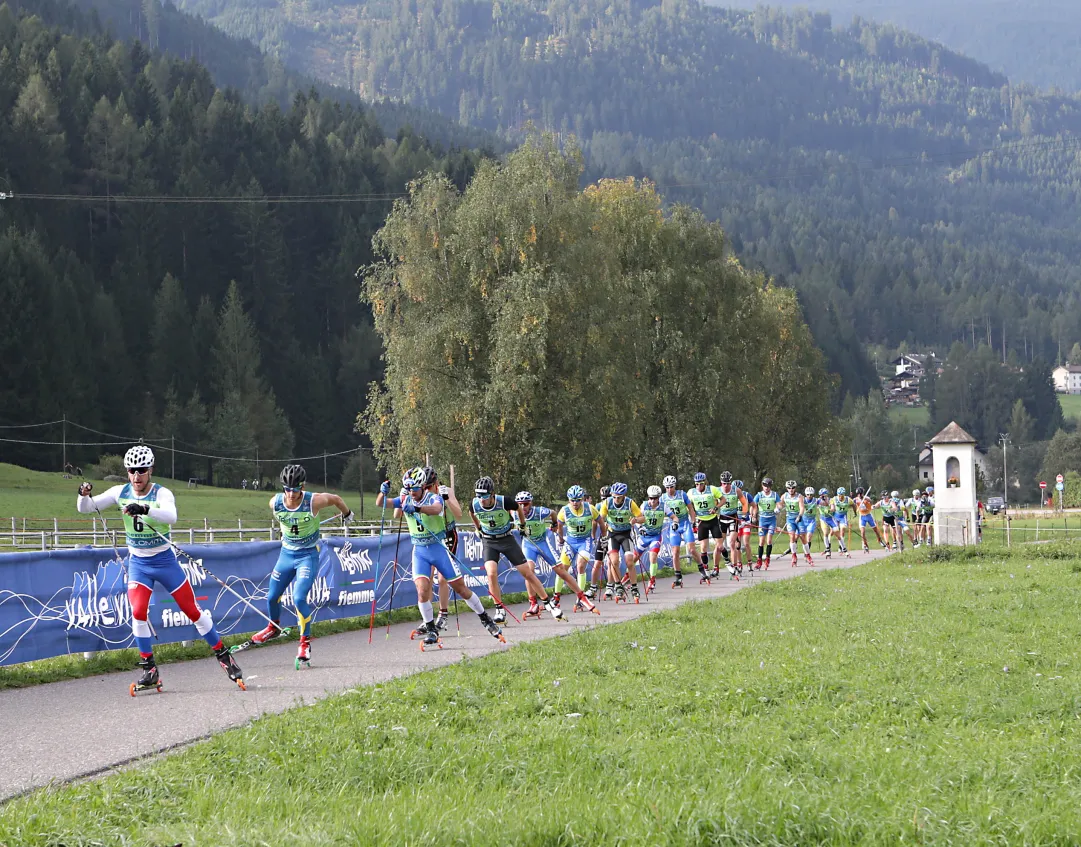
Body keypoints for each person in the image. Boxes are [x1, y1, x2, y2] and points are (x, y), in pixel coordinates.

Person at [76, 445, 245, 693]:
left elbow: (171, 516)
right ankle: (150, 670)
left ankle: (224, 657)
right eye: (131, 471)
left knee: (192, 610)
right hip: (139, 564)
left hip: (165, 562)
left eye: (141, 471)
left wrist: (143, 508)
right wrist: (82, 494)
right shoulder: (119, 491)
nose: (136, 476)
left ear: (151, 470)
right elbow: (86, 507)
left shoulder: (161, 493)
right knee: (138, 611)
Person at [377, 469, 504, 648]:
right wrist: (383, 492)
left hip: (438, 549)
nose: (411, 492)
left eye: (414, 488)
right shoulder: (406, 498)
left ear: (422, 486)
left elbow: (437, 509)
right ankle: (431, 630)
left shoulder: (433, 497)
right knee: (422, 590)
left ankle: (485, 618)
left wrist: (417, 508)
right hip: (419, 551)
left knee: (460, 588)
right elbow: (382, 504)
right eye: (408, 488)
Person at [245, 464, 354, 668]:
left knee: (298, 598)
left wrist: (347, 514)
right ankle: (273, 627)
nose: (292, 494)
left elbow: (337, 499)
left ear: (302, 487)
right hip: (287, 554)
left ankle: (304, 643)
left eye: (296, 489)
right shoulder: (275, 503)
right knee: (271, 596)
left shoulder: (314, 501)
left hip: (307, 555)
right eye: (288, 489)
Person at [470, 476, 551, 623]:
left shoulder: (504, 501)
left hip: (506, 539)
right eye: (479, 495)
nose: (482, 499)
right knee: (491, 573)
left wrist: (521, 525)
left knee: (526, 572)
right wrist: (479, 528)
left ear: (492, 493)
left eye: (485, 495)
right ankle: (499, 609)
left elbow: (518, 508)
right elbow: (471, 513)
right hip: (489, 540)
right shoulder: (475, 504)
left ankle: (547, 602)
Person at [517, 491, 597, 617]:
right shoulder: (513, 512)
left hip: (543, 543)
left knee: (561, 570)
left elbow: (553, 513)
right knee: (528, 571)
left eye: (525, 504)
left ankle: (582, 597)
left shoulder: (539, 511)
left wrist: (554, 524)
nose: (523, 507)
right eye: (520, 504)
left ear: (530, 503)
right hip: (528, 545)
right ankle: (533, 604)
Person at [556, 485, 604, 611]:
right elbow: (559, 526)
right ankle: (556, 598)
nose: (575, 503)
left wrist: (603, 537)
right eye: (572, 500)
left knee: (580, 565)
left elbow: (600, 521)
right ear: (568, 500)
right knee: (562, 569)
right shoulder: (564, 510)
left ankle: (580, 598)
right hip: (571, 541)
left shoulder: (589, 508)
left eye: (577, 500)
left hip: (585, 541)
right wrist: (561, 540)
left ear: (582, 499)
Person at [598, 482, 644, 602]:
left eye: (619, 497)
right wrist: (602, 524)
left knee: (629, 562)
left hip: (626, 535)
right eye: (614, 497)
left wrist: (635, 520)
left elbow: (642, 518)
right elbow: (600, 518)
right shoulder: (607, 502)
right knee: (613, 561)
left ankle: (634, 588)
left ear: (624, 496)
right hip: (613, 534)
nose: (616, 499)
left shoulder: (630, 502)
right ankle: (618, 586)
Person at [687, 472, 726, 582]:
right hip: (701, 522)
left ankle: (717, 567)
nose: (699, 486)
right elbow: (688, 506)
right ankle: (706, 570)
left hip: (713, 520)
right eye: (697, 484)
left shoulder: (712, 489)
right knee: (703, 547)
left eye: (701, 484)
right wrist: (692, 519)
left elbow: (723, 500)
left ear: (705, 483)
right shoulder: (691, 492)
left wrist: (716, 507)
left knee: (719, 545)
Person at [661, 475, 698, 588]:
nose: (669, 490)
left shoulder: (682, 494)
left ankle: (703, 569)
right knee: (675, 551)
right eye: (667, 487)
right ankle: (678, 577)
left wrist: (693, 521)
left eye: (671, 487)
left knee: (692, 549)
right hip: (674, 525)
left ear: (675, 486)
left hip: (685, 523)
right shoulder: (662, 498)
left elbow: (690, 508)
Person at [632, 485, 667, 593]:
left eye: (655, 498)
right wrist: (640, 527)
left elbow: (674, 517)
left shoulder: (663, 506)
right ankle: (628, 577)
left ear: (658, 498)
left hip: (655, 536)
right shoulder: (644, 505)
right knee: (633, 559)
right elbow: (638, 519)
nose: (652, 500)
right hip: (644, 536)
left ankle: (652, 580)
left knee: (653, 557)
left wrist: (675, 522)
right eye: (651, 498)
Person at [715, 471, 748, 577]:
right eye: (724, 483)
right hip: (722, 518)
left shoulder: (736, 490)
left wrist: (743, 516)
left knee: (732, 543)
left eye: (728, 483)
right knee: (719, 545)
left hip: (733, 518)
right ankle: (716, 568)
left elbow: (744, 503)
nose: (726, 486)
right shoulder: (717, 491)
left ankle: (734, 566)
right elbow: (714, 503)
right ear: (721, 483)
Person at [752, 477, 779, 569]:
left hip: (771, 519)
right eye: (764, 485)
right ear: (762, 486)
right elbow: (753, 505)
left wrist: (777, 508)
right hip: (763, 520)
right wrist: (753, 516)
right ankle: (759, 560)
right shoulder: (759, 495)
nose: (766, 488)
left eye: (768, 486)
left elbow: (779, 504)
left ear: (770, 486)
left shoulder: (774, 495)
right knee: (761, 541)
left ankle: (767, 558)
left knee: (769, 540)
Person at [779, 480, 807, 567]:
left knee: (802, 536)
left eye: (793, 488)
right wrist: (778, 508)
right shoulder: (784, 496)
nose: (791, 489)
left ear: (795, 488)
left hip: (798, 518)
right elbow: (780, 504)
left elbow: (802, 508)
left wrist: (800, 515)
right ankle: (794, 556)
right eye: (789, 488)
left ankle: (808, 555)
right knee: (792, 536)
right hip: (790, 519)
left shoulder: (799, 496)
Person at [854, 487, 888, 552]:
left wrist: (866, 499)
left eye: (860, 494)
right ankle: (865, 544)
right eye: (858, 494)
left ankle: (880, 540)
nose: (859, 495)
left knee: (875, 530)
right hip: (862, 517)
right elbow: (852, 503)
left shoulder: (866, 498)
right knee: (862, 532)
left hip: (869, 515)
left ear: (862, 493)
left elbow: (871, 501)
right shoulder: (856, 499)